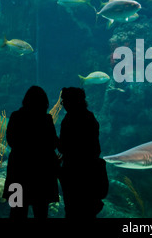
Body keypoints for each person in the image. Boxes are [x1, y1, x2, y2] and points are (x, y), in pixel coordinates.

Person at [2, 86, 60, 218]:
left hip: (18, 170)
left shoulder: (16, 116)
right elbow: (52, 143)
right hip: (42, 173)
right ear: (44, 102)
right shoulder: (46, 119)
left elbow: (10, 140)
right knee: (41, 211)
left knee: (16, 210)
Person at [58, 87, 108, 219]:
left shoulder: (69, 120)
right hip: (90, 172)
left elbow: (64, 147)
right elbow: (95, 148)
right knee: (89, 211)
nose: (63, 105)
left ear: (71, 101)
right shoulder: (90, 117)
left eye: (64, 101)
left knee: (73, 210)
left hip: (74, 172)